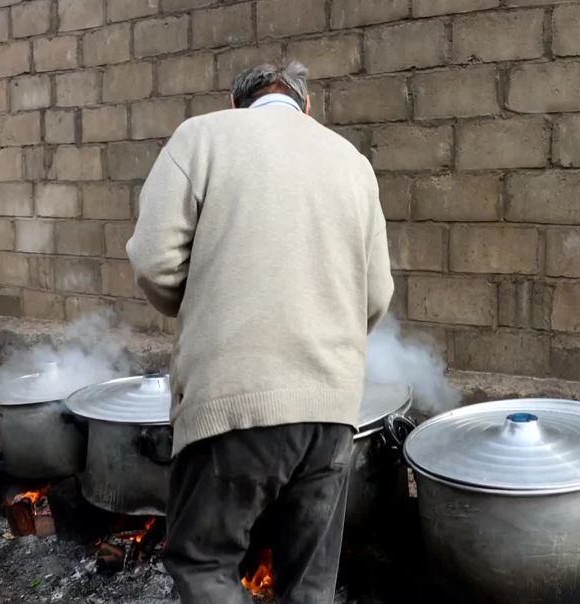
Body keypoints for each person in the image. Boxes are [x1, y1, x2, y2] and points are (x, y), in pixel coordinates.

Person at [126, 60, 393, 603]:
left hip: (234, 403)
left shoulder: (200, 137)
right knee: (310, 583)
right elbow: (377, 296)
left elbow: (155, 263)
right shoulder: (352, 162)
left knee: (204, 564)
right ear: (306, 106)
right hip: (331, 411)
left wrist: (209, 308)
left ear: (235, 103)